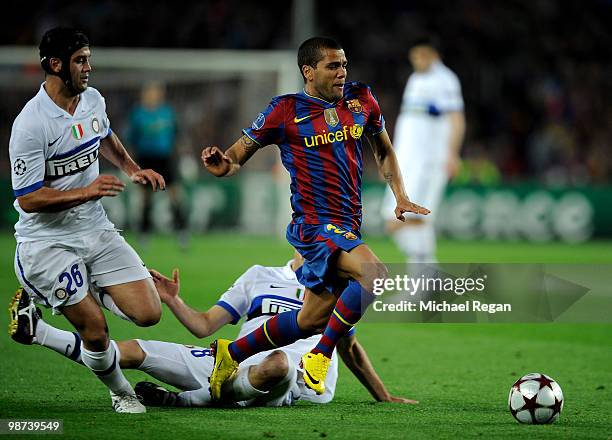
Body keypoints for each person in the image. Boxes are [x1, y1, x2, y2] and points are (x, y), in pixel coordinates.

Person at [201, 36, 429, 400]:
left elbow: (383, 148)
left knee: (310, 320)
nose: (342, 72)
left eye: (344, 65)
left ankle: (232, 353)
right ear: (308, 71)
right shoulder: (284, 111)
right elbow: (234, 159)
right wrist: (220, 166)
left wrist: (400, 196)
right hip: (314, 224)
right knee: (374, 274)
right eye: (332, 66)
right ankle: (319, 355)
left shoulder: (361, 100)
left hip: (347, 224)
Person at [9, 255, 417, 407]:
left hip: (292, 377)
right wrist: (173, 301)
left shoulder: (336, 288)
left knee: (276, 364)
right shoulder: (259, 275)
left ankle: (185, 401)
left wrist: (383, 395)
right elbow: (206, 326)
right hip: (229, 362)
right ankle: (40, 333)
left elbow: (349, 346)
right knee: (130, 350)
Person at [7, 27, 165, 413]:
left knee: (149, 313)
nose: (88, 68)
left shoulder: (92, 99)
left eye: (88, 59)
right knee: (96, 331)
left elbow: (105, 135)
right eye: (80, 61)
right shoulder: (31, 124)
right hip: (47, 243)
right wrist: (86, 191)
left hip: (94, 228)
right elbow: (27, 199)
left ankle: (72, 297)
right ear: (55, 65)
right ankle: (122, 393)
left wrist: (131, 168)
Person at [381, 35, 465, 264]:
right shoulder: (415, 79)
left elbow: (456, 119)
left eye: (423, 55)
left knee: (408, 216)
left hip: (429, 161)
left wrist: (452, 154)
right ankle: (427, 278)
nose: (418, 60)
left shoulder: (445, 80)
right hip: (407, 162)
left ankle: (423, 281)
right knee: (393, 217)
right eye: (415, 56)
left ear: (435, 55)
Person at [126, 81, 187, 247]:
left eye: (157, 92)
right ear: (144, 95)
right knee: (146, 198)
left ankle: (182, 232)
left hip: (165, 158)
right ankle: (144, 234)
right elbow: (131, 140)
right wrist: (130, 165)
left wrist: (184, 158)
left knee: (175, 195)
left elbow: (177, 136)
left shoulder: (167, 112)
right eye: (151, 92)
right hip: (146, 159)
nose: (154, 96)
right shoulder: (138, 114)